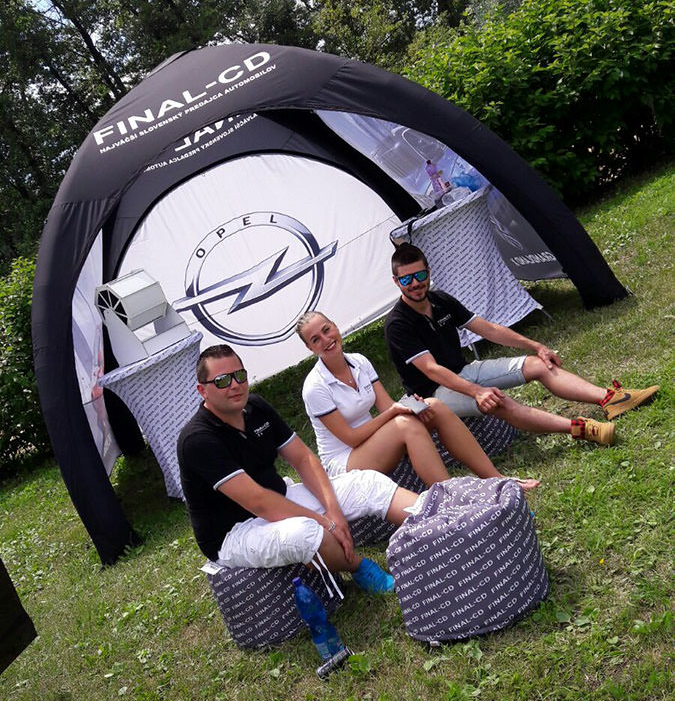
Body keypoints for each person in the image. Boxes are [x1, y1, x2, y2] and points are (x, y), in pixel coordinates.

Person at [177, 344, 426, 595]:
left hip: (281, 497)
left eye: (239, 375)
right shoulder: (198, 439)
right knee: (308, 533)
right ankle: (361, 567)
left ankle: (434, 522)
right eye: (222, 380)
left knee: (366, 482)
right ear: (202, 391)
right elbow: (259, 502)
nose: (235, 385)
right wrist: (327, 523)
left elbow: (304, 459)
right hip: (235, 532)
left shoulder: (255, 407)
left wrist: (333, 510)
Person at [384, 243, 659, 446]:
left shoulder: (440, 300)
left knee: (538, 366)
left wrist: (535, 346)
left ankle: (612, 399)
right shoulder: (398, 324)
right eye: (406, 279)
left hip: (463, 372)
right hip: (434, 394)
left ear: (428, 272)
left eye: (419, 275)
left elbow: (488, 329)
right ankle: (581, 428)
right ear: (397, 282)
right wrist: (478, 391)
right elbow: (432, 370)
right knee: (497, 400)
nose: (415, 284)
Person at [297, 311, 539, 490]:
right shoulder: (315, 387)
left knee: (434, 406)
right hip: (346, 460)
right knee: (405, 425)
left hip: (371, 439)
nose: (325, 340)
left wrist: (410, 406)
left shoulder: (359, 361)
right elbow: (351, 437)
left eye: (326, 330)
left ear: (335, 326)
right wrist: (395, 413)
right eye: (315, 339)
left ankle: (496, 478)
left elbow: (386, 405)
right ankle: (453, 496)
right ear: (310, 348)